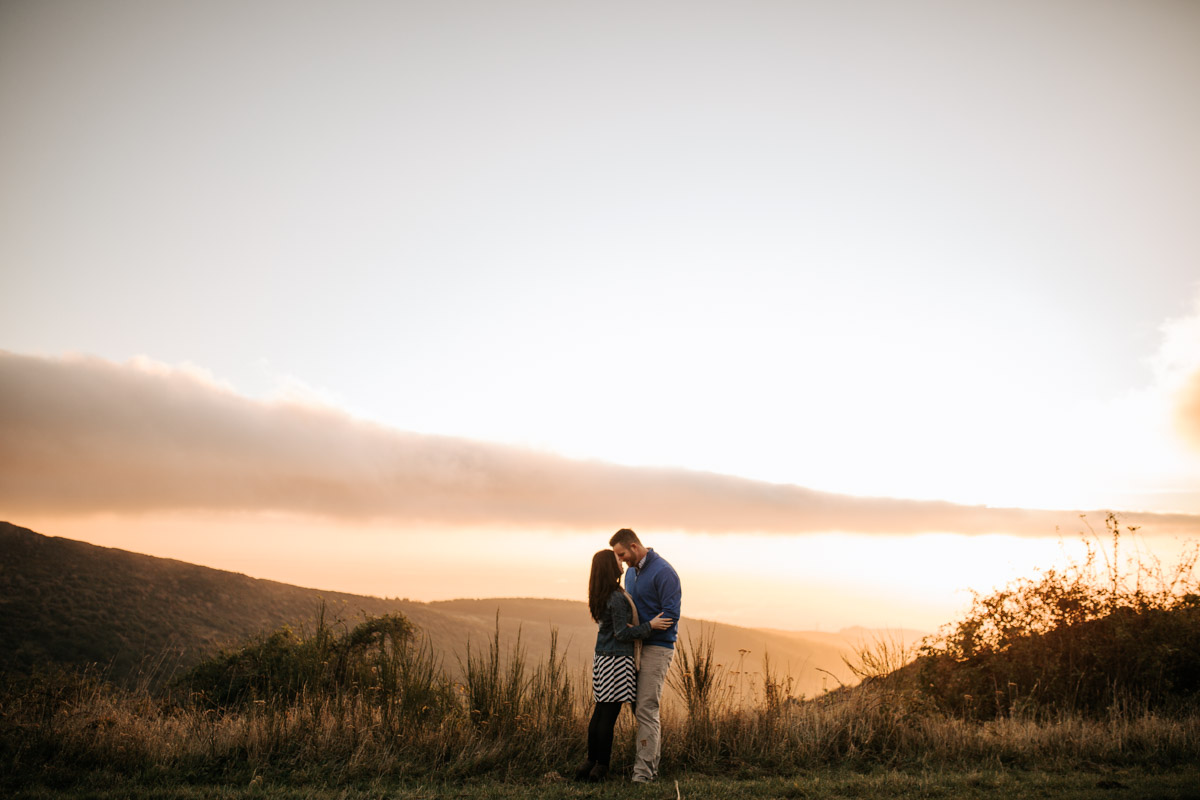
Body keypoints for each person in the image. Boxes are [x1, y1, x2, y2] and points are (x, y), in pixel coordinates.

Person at [576, 549, 673, 783]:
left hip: (603, 659)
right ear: (610, 566)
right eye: (617, 559)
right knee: (608, 715)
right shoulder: (616, 597)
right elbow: (621, 633)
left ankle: (590, 762)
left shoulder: (599, 593)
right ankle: (601, 766)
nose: (621, 562)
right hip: (617, 661)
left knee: (600, 712)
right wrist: (652, 625)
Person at [609, 527, 682, 784]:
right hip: (637, 646)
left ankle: (643, 775)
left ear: (634, 547)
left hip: (658, 647)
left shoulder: (664, 572)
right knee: (639, 708)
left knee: (647, 708)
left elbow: (671, 614)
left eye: (621, 554)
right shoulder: (631, 573)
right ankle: (651, 768)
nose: (620, 560)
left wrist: (645, 630)